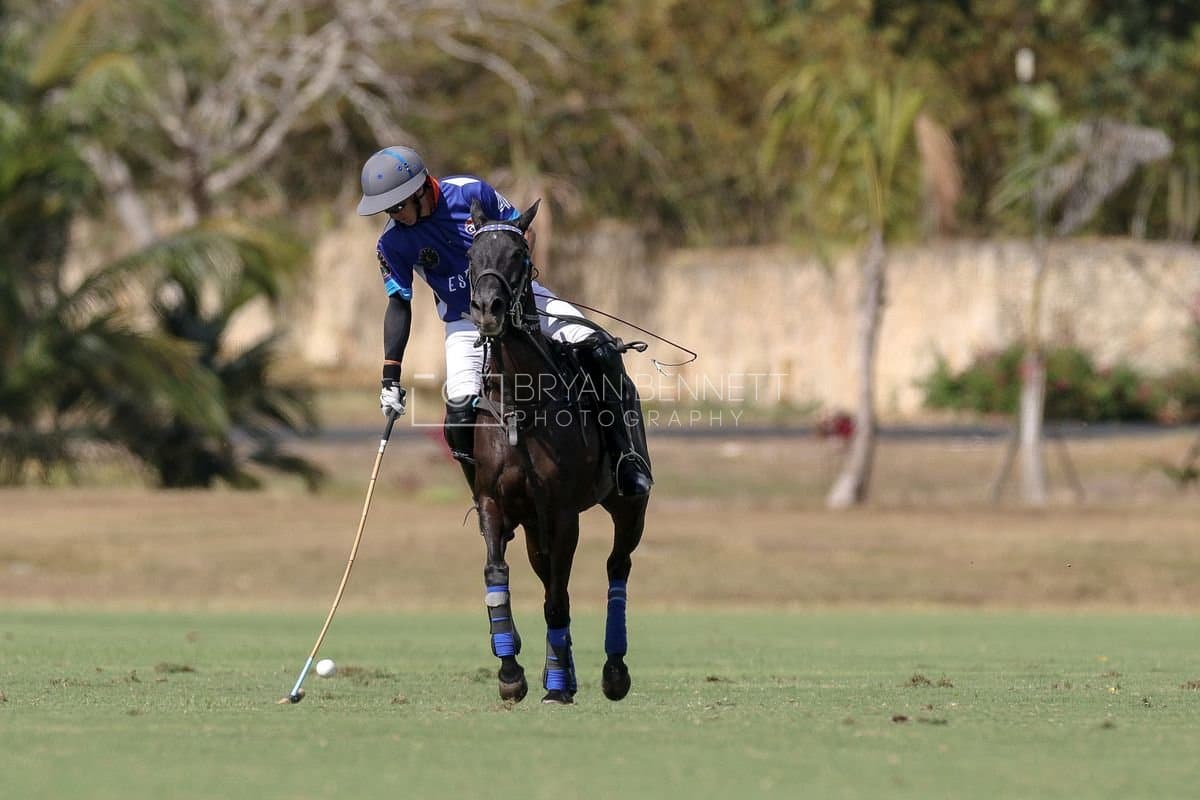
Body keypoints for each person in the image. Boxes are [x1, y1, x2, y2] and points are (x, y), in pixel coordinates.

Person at [357, 145, 652, 496]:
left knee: (602, 351)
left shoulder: (470, 192)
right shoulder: (392, 243)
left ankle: (626, 459)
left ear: (420, 189)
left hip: (523, 303)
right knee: (460, 413)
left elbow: (523, 232)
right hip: (465, 321)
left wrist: (519, 285)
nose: (393, 215)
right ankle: (485, 499)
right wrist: (390, 378)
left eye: (396, 206)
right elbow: (398, 305)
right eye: (387, 209)